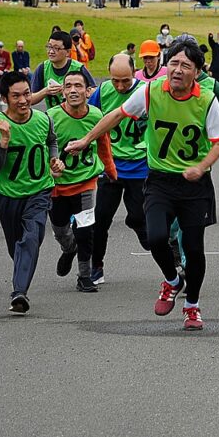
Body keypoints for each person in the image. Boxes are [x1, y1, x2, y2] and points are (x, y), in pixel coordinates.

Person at [66, 40, 219, 331]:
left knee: (193, 249)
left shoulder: (207, 99)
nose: (177, 70)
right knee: (155, 237)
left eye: (185, 66)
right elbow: (117, 115)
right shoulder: (152, 91)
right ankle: (172, 279)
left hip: (194, 184)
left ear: (196, 71)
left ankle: (192, 306)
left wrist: (202, 167)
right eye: (174, 64)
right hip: (159, 179)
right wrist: (86, 140)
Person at [0, 72, 65, 314]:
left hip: (39, 191)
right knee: (16, 247)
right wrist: (4, 142)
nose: (23, 100)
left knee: (31, 238)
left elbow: (52, 141)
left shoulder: (43, 119)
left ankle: (19, 293)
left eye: (27, 93)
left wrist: (54, 159)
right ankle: (21, 275)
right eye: (16, 96)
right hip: (8, 195)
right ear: (4, 98)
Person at [46, 71, 115, 292]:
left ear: (88, 91)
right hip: (58, 185)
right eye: (68, 86)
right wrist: (51, 167)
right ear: (63, 91)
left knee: (86, 230)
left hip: (86, 181)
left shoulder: (96, 115)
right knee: (60, 230)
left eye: (78, 86)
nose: (73, 90)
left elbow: (103, 143)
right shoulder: (51, 117)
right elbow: (42, 148)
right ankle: (69, 249)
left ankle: (85, 276)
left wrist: (111, 169)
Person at [86, 53, 151, 284]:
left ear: (135, 72)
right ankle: (96, 266)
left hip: (140, 166)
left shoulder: (147, 92)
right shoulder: (102, 92)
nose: (120, 86)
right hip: (110, 166)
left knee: (138, 216)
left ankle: (142, 230)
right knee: (101, 219)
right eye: (115, 80)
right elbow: (89, 119)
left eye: (125, 80)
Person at [30, 30, 95, 108]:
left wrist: (71, 89)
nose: (51, 51)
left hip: (76, 116)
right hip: (53, 117)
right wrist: (46, 91)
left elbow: (95, 92)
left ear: (67, 52)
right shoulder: (42, 68)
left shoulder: (78, 68)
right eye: (49, 47)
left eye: (56, 48)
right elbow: (30, 99)